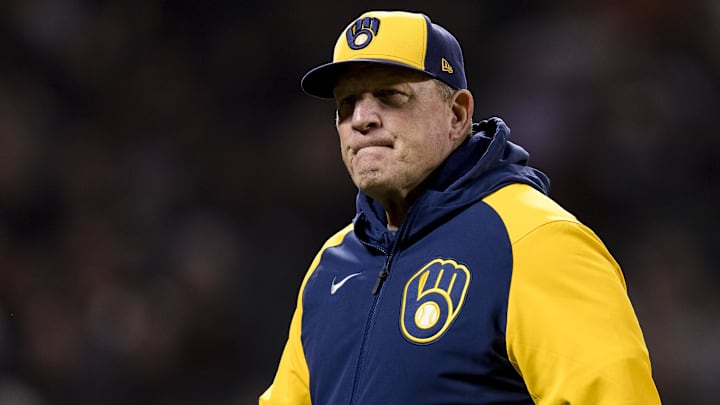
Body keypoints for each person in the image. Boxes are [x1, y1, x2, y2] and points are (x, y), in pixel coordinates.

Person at [260, 10, 660, 405]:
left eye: (389, 95)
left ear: (456, 115)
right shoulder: (331, 266)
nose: (361, 119)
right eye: (346, 103)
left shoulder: (533, 240)